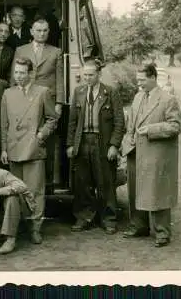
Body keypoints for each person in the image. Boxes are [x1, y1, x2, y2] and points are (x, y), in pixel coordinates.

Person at [121, 64, 181, 248]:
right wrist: (127, 143)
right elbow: (131, 123)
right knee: (135, 190)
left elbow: (175, 126)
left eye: (142, 80)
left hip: (156, 154)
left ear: (153, 77)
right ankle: (139, 226)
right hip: (135, 152)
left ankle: (162, 232)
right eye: (138, 80)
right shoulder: (138, 97)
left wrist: (151, 130)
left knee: (158, 190)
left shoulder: (167, 99)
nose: (139, 84)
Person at [1, 58, 57, 244]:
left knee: (35, 191)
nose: (18, 76)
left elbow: (52, 119)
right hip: (14, 149)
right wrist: (3, 149)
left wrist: (41, 135)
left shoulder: (42, 92)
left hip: (34, 149)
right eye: (16, 72)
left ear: (31, 74)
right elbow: (4, 125)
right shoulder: (8, 94)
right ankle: (17, 228)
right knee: (15, 191)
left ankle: (35, 228)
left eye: (22, 72)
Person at [66, 59, 125, 235]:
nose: (87, 78)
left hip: (102, 141)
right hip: (82, 141)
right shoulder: (78, 92)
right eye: (85, 75)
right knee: (83, 182)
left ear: (99, 74)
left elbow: (119, 121)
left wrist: (114, 145)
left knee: (106, 181)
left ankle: (109, 219)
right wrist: (70, 144)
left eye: (91, 75)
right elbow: (72, 122)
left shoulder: (111, 92)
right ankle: (84, 217)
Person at [11, 16, 64, 189]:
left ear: (49, 32)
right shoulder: (21, 50)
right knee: (25, 137)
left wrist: (59, 104)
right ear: (31, 32)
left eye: (45, 30)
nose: (41, 34)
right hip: (26, 100)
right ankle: (25, 183)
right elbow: (15, 76)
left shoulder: (56, 52)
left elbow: (60, 79)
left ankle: (46, 185)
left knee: (45, 140)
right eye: (38, 30)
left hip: (47, 101)